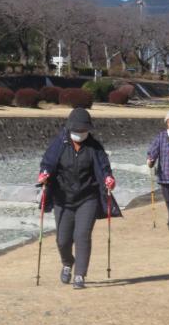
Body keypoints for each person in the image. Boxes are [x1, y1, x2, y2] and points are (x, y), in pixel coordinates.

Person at [37, 107, 120, 289]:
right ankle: (68, 262)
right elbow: (47, 163)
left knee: (82, 235)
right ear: (70, 128)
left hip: (87, 197)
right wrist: (44, 174)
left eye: (83, 130)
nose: (80, 134)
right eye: (77, 130)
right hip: (63, 197)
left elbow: (104, 167)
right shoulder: (59, 143)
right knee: (62, 239)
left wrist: (109, 179)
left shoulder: (94, 147)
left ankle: (80, 275)